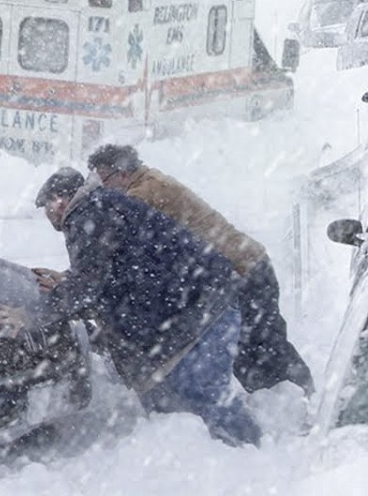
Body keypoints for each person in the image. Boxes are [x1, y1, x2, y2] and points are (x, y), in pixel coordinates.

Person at [19, 167, 260, 446]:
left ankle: (252, 453)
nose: (48, 214)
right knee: (169, 399)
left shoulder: (88, 215)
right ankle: (197, 457)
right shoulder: (101, 207)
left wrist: (33, 316)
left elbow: (90, 285)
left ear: (59, 201)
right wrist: (68, 282)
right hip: (190, 305)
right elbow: (106, 273)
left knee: (201, 390)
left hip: (203, 305)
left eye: (46, 207)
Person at [85, 144, 314, 395]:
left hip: (242, 270)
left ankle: (301, 401)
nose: (102, 189)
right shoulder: (149, 182)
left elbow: (118, 244)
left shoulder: (143, 193)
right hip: (243, 266)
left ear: (122, 173)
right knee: (256, 346)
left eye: (103, 180)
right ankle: (291, 401)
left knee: (262, 347)